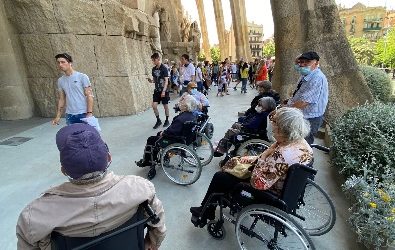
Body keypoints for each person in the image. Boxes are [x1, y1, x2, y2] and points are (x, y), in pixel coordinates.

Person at [16, 123, 166, 250]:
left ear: (64, 170)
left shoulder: (33, 216)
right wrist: (150, 244)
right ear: (109, 157)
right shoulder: (141, 188)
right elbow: (158, 228)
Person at [190, 107, 313, 224]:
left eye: (274, 122)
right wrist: (248, 159)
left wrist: (261, 159)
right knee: (236, 161)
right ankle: (211, 205)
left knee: (220, 177)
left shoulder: (281, 155)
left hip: (269, 193)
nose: (272, 125)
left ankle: (206, 211)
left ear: (282, 128)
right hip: (286, 187)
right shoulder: (302, 144)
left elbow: (257, 183)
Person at [136, 94, 197, 167]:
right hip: (186, 139)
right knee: (158, 135)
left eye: (182, 102)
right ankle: (164, 156)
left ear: (185, 106)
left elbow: (171, 132)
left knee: (151, 139)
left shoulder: (180, 119)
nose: (179, 103)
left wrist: (163, 133)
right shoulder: (192, 116)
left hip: (175, 141)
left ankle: (148, 161)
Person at [287, 51, 328, 144]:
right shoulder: (306, 74)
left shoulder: (317, 78)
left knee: (304, 146)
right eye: (301, 62)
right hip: (303, 115)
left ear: (317, 63)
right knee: (298, 143)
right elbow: (296, 64)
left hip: (310, 118)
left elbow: (304, 102)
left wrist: (285, 110)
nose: (302, 65)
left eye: (307, 62)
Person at [52, 53, 94, 126]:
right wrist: (58, 116)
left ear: (70, 63)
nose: (60, 65)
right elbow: (61, 99)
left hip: (83, 113)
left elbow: (89, 96)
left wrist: (89, 113)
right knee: (73, 137)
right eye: (58, 63)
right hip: (70, 115)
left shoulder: (82, 77)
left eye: (63, 62)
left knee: (86, 136)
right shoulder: (60, 80)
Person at [147, 52, 170, 129]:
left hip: (164, 90)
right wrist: (151, 81)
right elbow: (154, 80)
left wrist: (164, 91)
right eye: (152, 60)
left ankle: (167, 120)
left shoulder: (164, 68)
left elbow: (166, 81)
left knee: (165, 106)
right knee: (154, 106)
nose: (153, 62)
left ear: (158, 59)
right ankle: (158, 120)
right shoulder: (153, 69)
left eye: (154, 60)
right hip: (157, 90)